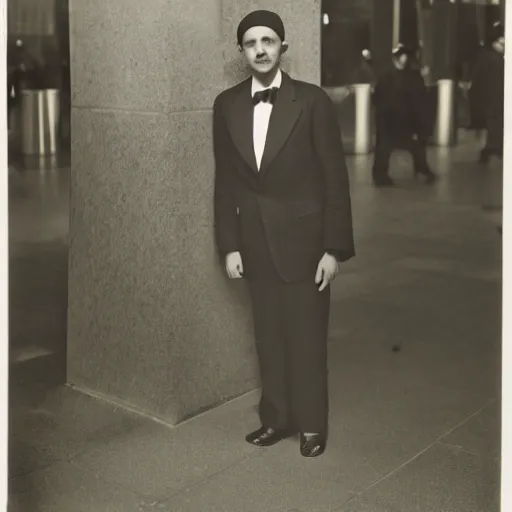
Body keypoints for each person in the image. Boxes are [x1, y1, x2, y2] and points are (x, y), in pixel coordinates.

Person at [212, 10, 355, 457]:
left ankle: (312, 425)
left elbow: (335, 178)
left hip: (305, 244)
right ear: (242, 51)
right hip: (254, 243)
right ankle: (276, 418)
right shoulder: (227, 104)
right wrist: (230, 244)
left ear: (282, 48)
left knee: (307, 337)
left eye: (269, 41)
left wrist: (333, 250)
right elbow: (227, 182)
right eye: (251, 42)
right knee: (269, 338)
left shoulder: (312, 101)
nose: (260, 49)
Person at [371, 44, 436, 187]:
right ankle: (422, 170)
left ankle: (381, 175)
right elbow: (419, 100)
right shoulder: (411, 77)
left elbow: (377, 98)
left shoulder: (386, 77)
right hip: (400, 119)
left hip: (392, 119)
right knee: (412, 146)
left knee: (387, 148)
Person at [473, 21, 505, 163]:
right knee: (496, 124)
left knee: (495, 125)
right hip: (494, 97)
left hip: (493, 96)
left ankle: (491, 150)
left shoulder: (486, 56)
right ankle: (493, 149)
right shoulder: (492, 58)